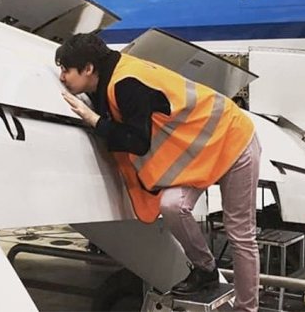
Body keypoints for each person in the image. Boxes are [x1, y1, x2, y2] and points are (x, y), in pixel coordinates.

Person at [56, 33, 261, 312]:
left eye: (66, 70)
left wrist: (95, 121)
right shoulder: (108, 80)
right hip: (200, 153)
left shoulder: (126, 84)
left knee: (240, 233)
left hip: (234, 140)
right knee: (172, 205)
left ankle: (247, 308)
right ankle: (205, 269)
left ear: (89, 68)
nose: (61, 77)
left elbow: (138, 142)